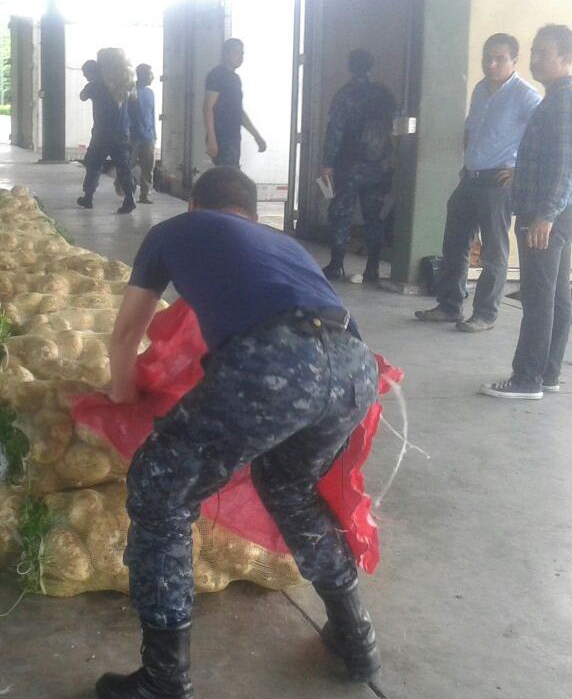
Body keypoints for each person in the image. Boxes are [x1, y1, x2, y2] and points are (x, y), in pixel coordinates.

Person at [96, 166, 380, 698]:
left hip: (276, 361)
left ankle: (163, 679)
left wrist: (122, 400)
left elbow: (125, 339)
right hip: (354, 368)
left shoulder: (174, 232)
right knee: (291, 487)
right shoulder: (281, 243)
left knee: (161, 494)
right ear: (250, 213)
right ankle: (355, 636)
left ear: (192, 205)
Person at [481, 25, 572, 400]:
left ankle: (526, 378)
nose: (535, 60)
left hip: (548, 215)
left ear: (565, 57)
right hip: (552, 212)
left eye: (543, 52)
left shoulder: (568, 101)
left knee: (538, 298)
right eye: (534, 51)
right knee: (555, 297)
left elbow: (568, 166)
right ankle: (547, 374)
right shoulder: (559, 98)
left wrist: (545, 215)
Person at [415, 35, 541, 330]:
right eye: (487, 57)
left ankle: (485, 314)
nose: (491, 64)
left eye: (499, 58)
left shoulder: (525, 95)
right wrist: (466, 163)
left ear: (514, 61)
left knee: (493, 251)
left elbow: (542, 137)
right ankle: (449, 306)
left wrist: (519, 171)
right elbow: (471, 127)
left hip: (498, 182)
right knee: (455, 244)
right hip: (471, 178)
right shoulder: (481, 89)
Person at [320, 50, 398, 282]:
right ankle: (372, 268)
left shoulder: (346, 94)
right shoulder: (384, 94)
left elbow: (335, 130)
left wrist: (327, 163)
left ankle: (336, 265)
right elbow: (394, 125)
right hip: (379, 165)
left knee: (341, 214)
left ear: (350, 67)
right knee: (374, 217)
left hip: (349, 165)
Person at [77, 59, 137, 214]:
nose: (86, 77)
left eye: (86, 74)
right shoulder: (119, 85)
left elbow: (82, 96)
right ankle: (129, 198)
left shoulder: (94, 85)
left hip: (102, 134)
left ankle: (88, 197)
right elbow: (133, 98)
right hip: (122, 132)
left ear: (92, 72)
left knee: (93, 164)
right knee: (123, 167)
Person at [204, 38, 266, 168]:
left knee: (229, 176)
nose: (240, 57)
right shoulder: (217, 75)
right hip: (222, 137)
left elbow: (239, 112)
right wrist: (212, 139)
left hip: (233, 137)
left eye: (242, 53)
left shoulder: (235, 79)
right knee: (227, 177)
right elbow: (207, 108)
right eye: (236, 52)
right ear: (226, 53)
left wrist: (256, 135)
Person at [128, 64, 157, 204]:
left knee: (148, 167)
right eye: (150, 74)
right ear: (142, 75)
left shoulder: (150, 93)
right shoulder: (132, 91)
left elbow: (151, 114)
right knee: (128, 165)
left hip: (148, 136)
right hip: (134, 136)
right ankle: (128, 190)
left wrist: (154, 134)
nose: (153, 77)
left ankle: (145, 195)